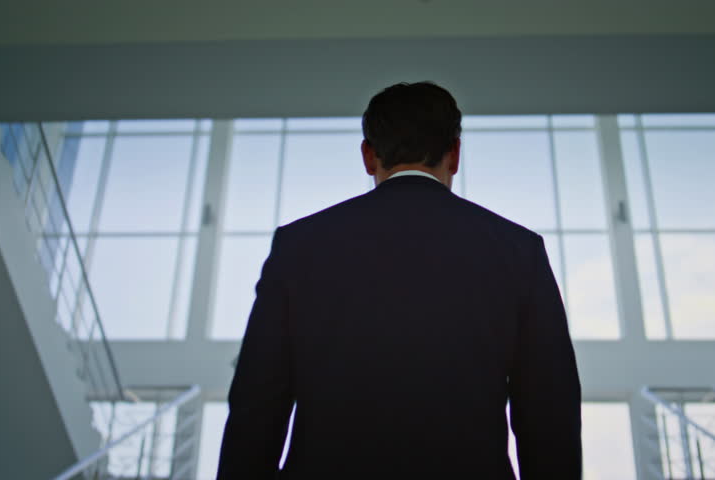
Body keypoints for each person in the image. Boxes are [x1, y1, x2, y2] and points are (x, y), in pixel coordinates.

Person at [217, 82, 582, 479]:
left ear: (368, 156)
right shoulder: (519, 250)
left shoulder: (298, 246)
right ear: (455, 154)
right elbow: (550, 415)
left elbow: (257, 408)